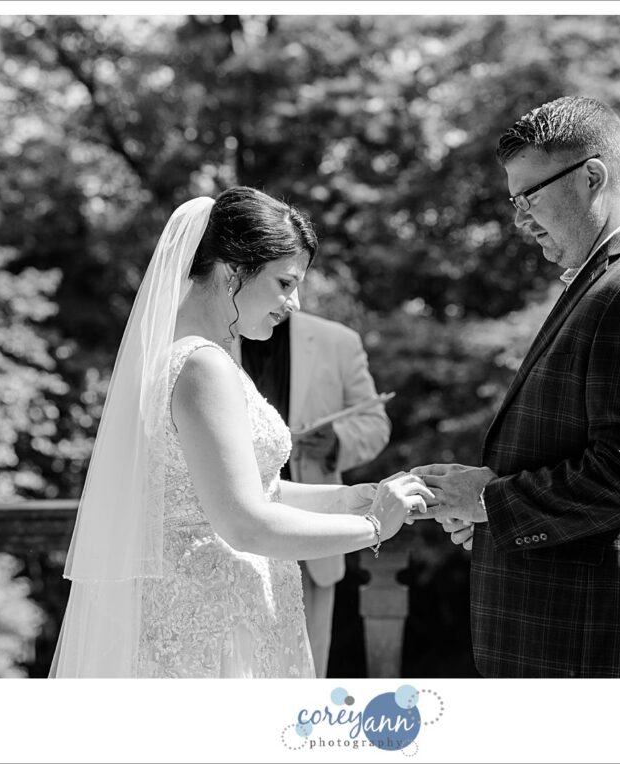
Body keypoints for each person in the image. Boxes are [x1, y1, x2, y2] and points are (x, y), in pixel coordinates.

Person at [50, 186, 432, 677]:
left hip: (222, 608)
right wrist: (376, 526)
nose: (294, 303)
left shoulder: (186, 354)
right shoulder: (203, 366)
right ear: (234, 270)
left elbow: (243, 490)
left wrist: (346, 498)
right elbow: (244, 523)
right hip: (213, 625)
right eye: (284, 283)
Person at [413, 96, 620, 678]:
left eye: (529, 196)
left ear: (592, 177)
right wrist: (485, 496)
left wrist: (487, 501)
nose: (519, 218)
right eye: (513, 200)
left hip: (607, 656)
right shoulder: (614, 277)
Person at [242, 310, 391, 677]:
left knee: (304, 668)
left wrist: (337, 441)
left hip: (312, 532)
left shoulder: (337, 340)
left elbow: (375, 424)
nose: (291, 298)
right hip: (232, 528)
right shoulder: (212, 336)